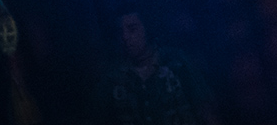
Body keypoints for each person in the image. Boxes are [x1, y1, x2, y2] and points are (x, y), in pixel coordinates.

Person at [89, 8, 219, 125]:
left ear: (146, 29)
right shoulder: (112, 77)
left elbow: (204, 107)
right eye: (120, 32)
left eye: (132, 29)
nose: (125, 37)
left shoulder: (175, 61)